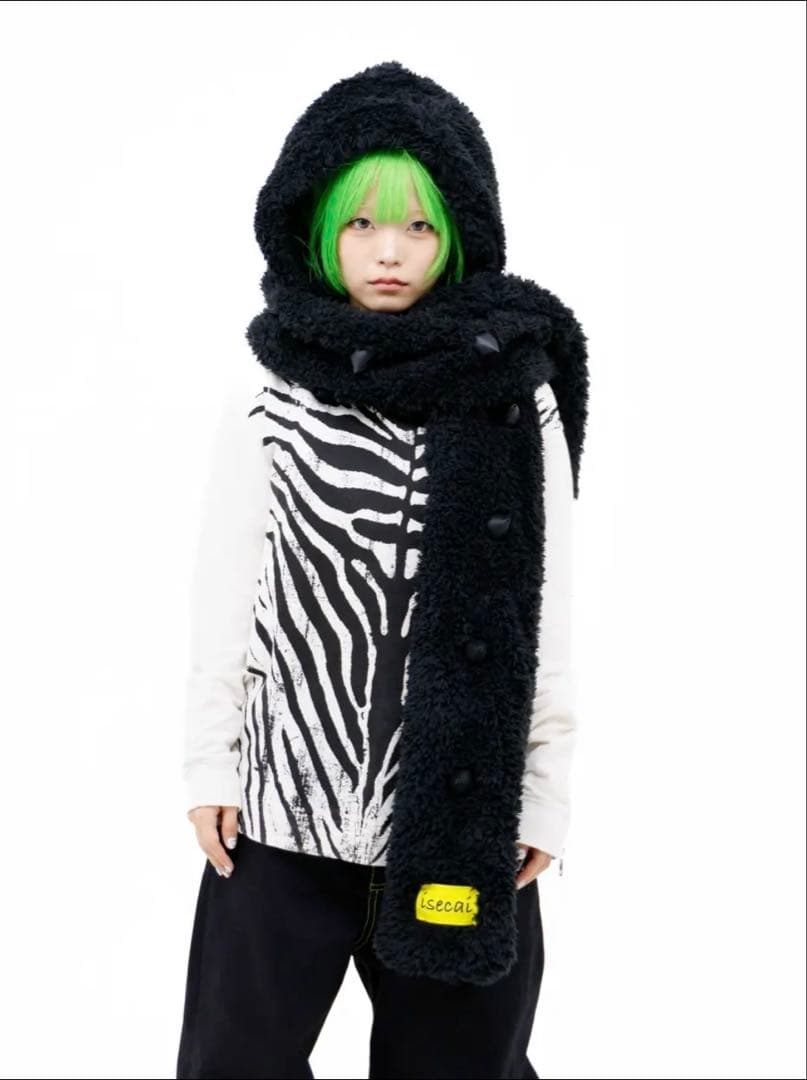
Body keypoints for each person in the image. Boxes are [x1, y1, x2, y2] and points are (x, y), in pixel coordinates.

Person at [176, 60, 588, 1080]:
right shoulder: (271, 398)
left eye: (417, 226)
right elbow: (228, 598)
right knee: (235, 1062)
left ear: (458, 235)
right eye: (361, 224)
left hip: (459, 814)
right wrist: (209, 766)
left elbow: (549, 610)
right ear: (317, 230)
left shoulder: (515, 397)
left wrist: (543, 794)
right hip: (283, 812)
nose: (390, 251)